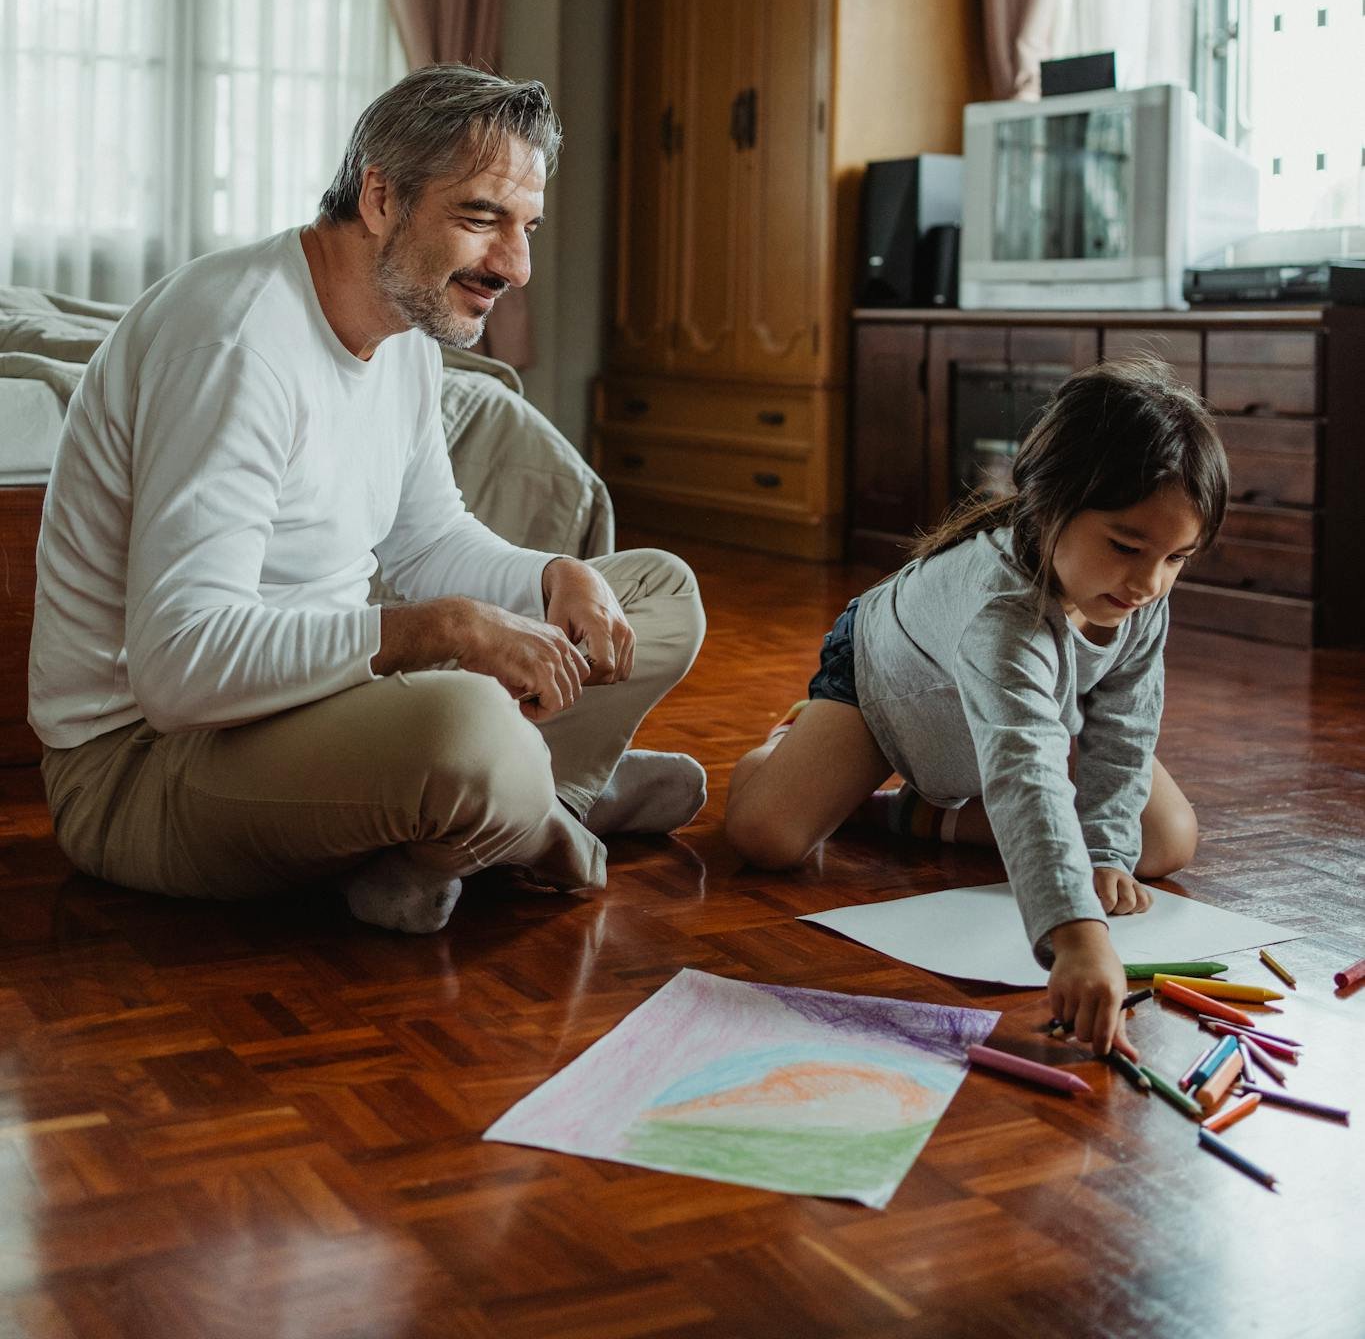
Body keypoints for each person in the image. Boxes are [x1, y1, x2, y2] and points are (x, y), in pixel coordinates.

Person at [29, 65, 707, 934]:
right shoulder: (232, 343)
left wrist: (553, 575)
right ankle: (524, 807)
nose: (516, 266)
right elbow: (180, 671)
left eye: (526, 226)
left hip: (304, 711)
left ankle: (501, 813)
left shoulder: (405, 331)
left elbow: (425, 541)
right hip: (145, 767)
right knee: (468, 730)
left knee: (656, 593)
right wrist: (446, 631)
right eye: (479, 218)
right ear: (381, 197)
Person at [725, 359, 1227, 1056]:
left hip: (1025, 719)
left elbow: (1123, 728)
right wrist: (1076, 934)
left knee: (1164, 840)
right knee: (765, 838)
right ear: (1050, 502)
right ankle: (791, 743)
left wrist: (1105, 852)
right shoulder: (1003, 612)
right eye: (1125, 545)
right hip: (888, 697)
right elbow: (1025, 769)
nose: (1149, 580)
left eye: (1176, 558)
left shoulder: (1139, 595)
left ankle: (907, 812)